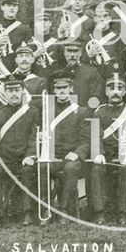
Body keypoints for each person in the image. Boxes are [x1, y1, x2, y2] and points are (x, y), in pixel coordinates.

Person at [37, 70, 93, 224]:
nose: (62, 91)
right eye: (58, 88)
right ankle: (46, 210)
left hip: (72, 158)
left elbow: (86, 139)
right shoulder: (47, 111)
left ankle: (65, 211)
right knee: (42, 167)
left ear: (71, 89)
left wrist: (77, 153)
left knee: (70, 168)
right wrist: (41, 137)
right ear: (54, 90)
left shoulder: (82, 111)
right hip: (53, 157)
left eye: (65, 87)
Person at [89, 73, 126, 225]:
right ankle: (100, 213)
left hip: (124, 156)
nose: (116, 92)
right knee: (96, 168)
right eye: (112, 89)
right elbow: (95, 136)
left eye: (120, 89)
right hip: (105, 155)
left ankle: (122, 213)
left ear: (124, 92)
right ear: (106, 92)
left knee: (125, 170)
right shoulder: (98, 111)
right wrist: (99, 153)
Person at [0, 75, 40, 226]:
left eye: (17, 90)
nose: (13, 94)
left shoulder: (32, 112)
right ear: (4, 93)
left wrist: (31, 155)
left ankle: (27, 212)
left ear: (22, 92)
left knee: (27, 171)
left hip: (25, 157)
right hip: (5, 158)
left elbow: (34, 136)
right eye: (10, 91)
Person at [62, 39, 105, 107]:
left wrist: (84, 113)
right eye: (69, 51)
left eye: (76, 51)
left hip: (86, 114)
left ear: (81, 53)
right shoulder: (59, 75)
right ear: (64, 53)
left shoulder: (92, 72)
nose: (72, 55)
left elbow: (96, 97)